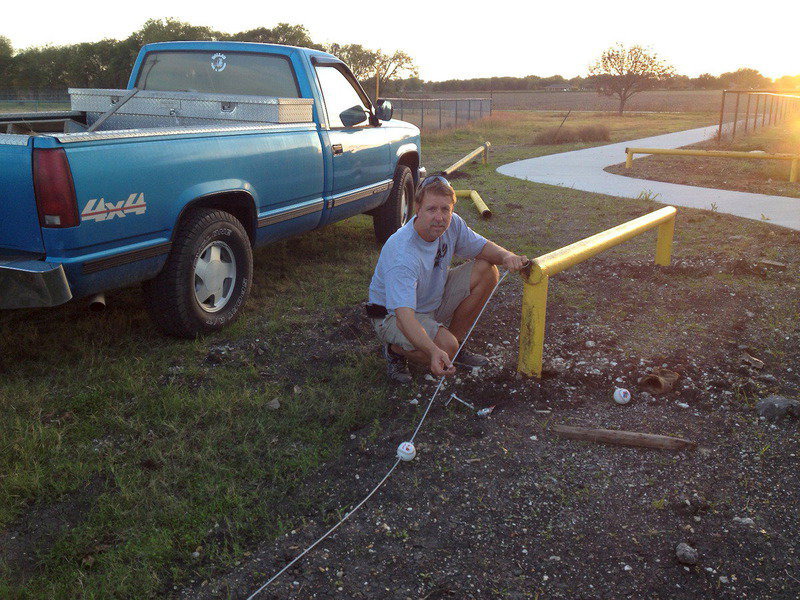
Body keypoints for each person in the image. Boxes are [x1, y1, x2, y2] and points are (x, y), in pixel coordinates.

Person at [367, 175, 529, 383]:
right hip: (391, 315)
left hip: (429, 299)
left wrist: (507, 256)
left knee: (487, 271)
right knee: (444, 347)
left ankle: (452, 345)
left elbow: (482, 247)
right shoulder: (403, 253)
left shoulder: (452, 225)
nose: (439, 217)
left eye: (445, 209)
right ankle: (395, 350)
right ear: (417, 208)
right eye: (432, 209)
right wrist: (434, 350)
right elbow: (404, 317)